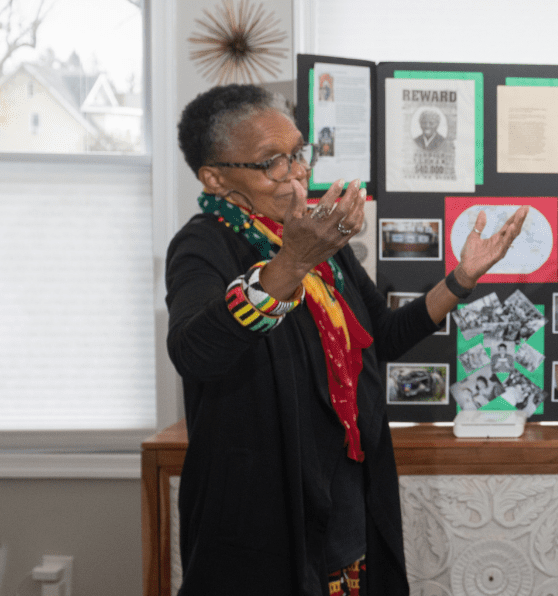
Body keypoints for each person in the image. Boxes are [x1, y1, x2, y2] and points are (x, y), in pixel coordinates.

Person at [168, 84, 530, 595]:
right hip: (263, 515)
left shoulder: (313, 237)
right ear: (216, 178)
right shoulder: (204, 243)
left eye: (298, 153)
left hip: (347, 498)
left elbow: (382, 338)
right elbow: (194, 351)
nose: (296, 173)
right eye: (273, 161)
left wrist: (462, 278)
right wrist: (293, 261)